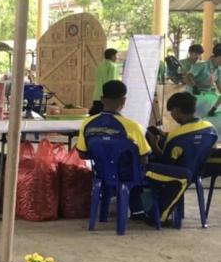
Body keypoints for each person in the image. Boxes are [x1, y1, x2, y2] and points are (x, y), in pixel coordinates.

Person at [142, 92, 215, 222]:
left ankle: (149, 212)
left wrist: (154, 145)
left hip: (177, 175)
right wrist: (164, 135)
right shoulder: (210, 129)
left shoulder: (176, 137)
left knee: (144, 168)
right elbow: (191, 139)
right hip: (198, 172)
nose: (172, 115)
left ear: (176, 110)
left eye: (171, 112)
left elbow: (165, 162)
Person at [75, 80, 150, 184]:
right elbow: (144, 159)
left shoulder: (87, 123)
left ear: (102, 99)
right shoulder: (133, 126)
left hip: (100, 176)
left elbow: (82, 154)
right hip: (128, 180)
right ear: (123, 101)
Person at [89, 48, 121, 116]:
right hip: (107, 96)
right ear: (112, 56)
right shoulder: (113, 66)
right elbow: (112, 82)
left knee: (95, 115)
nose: (117, 57)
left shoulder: (100, 66)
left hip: (97, 95)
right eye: (116, 55)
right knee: (107, 116)